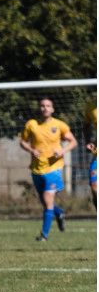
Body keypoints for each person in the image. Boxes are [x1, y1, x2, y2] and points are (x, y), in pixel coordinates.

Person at [20, 97, 78, 241]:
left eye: (48, 106)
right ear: (39, 108)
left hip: (54, 168)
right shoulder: (31, 124)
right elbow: (22, 141)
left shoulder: (59, 125)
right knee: (46, 203)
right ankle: (59, 213)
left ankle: (44, 235)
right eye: (42, 106)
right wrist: (30, 149)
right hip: (37, 169)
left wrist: (62, 151)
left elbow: (73, 142)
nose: (45, 108)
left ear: (52, 109)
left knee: (47, 200)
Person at [83, 99, 97, 208]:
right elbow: (86, 125)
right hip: (97, 155)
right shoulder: (91, 106)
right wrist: (88, 142)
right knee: (95, 188)